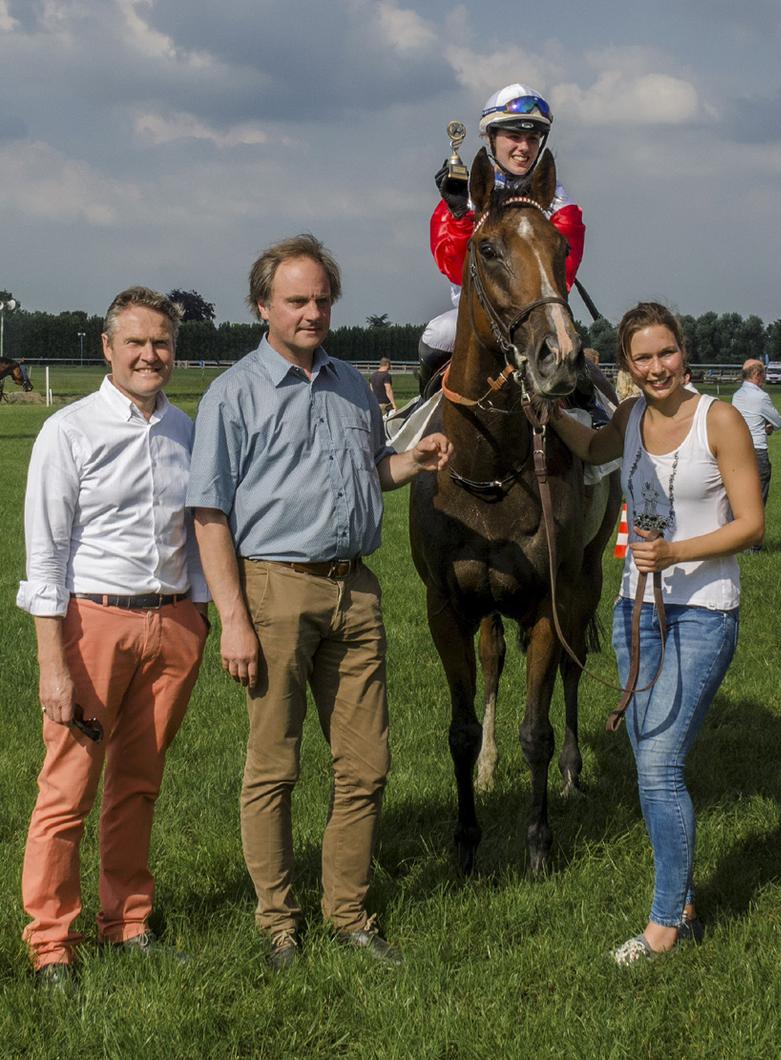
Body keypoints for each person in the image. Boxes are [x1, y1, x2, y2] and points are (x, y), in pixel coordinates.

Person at [187, 234, 451, 970]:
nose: (312, 312)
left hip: (355, 589)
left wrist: (414, 460)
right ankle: (279, 927)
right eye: (297, 300)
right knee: (274, 768)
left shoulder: (351, 385)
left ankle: (349, 916)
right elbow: (208, 514)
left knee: (366, 767)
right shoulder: (233, 394)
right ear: (263, 306)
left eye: (322, 299)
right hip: (273, 588)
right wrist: (233, 620)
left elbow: (372, 471)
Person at [549, 301, 763, 966]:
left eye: (665, 352)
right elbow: (590, 449)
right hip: (634, 611)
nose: (656, 366)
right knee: (649, 762)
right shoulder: (632, 415)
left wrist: (675, 554)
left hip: (704, 610)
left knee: (660, 766)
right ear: (628, 367)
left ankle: (667, 922)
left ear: (684, 353)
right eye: (642, 358)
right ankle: (685, 897)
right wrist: (544, 410)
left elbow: (752, 523)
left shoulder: (718, 418)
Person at [18, 287, 210, 987]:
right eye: (135, 342)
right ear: (107, 348)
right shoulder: (68, 431)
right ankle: (50, 944)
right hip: (92, 623)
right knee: (67, 787)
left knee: (139, 784)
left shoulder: (187, 430)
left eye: (160, 343)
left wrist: (197, 615)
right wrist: (53, 662)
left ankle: (127, 923)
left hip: (173, 624)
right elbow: (45, 554)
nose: (149, 355)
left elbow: (198, 532)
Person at [419, 83, 586, 393]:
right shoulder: (463, 197)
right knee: (435, 336)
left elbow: (563, 275)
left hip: (538, 315)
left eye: (533, 139)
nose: (524, 147)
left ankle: (599, 415)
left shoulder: (562, 205)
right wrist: (459, 218)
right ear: (491, 139)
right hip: (476, 316)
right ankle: (421, 409)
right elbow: (454, 270)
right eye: (514, 137)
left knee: (581, 366)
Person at [731, 358, 781, 549]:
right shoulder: (761, 397)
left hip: (738, 451)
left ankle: (737, 540)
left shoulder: (736, 396)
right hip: (758, 450)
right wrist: (767, 426)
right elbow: (777, 422)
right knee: (758, 500)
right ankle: (754, 545)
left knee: (740, 498)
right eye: (763, 375)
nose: (764, 379)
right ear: (756, 375)